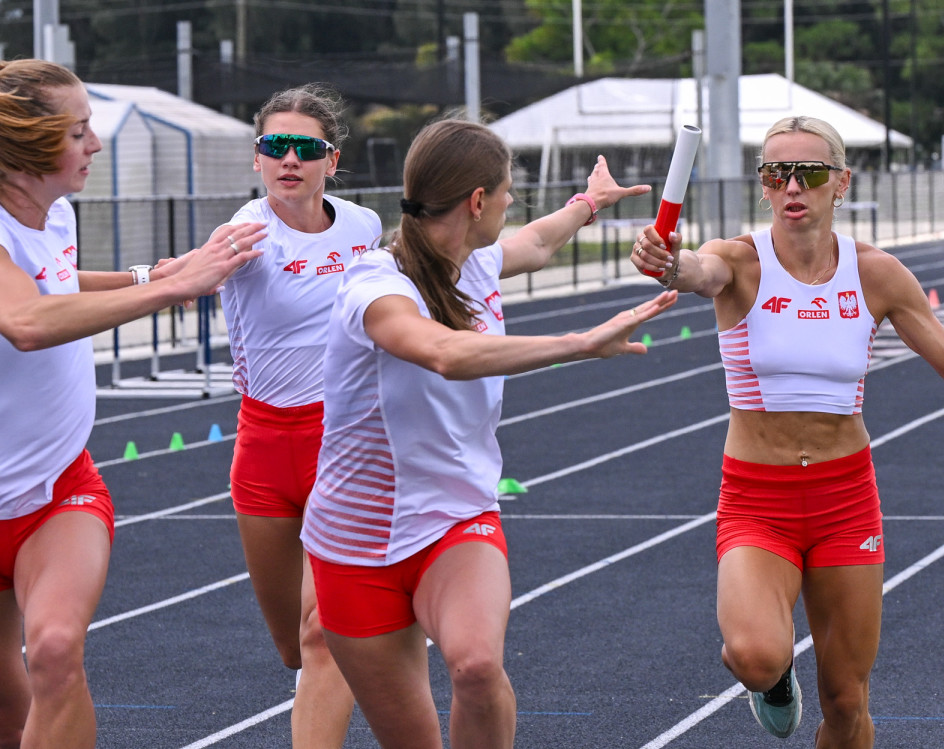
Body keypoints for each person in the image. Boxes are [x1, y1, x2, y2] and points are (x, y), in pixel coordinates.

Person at [300, 117, 677, 749]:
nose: (511, 203)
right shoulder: (374, 283)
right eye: (506, 191)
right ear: (478, 202)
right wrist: (579, 344)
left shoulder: (473, 261)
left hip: (454, 519)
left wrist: (588, 203)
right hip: (355, 543)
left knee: (476, 666)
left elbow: (535, 242)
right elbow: (442, 353)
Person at [0, 53, 265, 749]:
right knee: (1, 721)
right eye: (79, 131)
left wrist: (152, 272)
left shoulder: (54, 215)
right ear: (31, 146)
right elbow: (26, 320)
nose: (95, 144)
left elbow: (58, 282)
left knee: (57, 652)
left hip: (61, 492)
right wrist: (171, 292)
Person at [631, 115, 944, 748]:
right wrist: (667, 262)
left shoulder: (877, 274)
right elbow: (692, 270)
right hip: (757, 499)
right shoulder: (738, 262)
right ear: (765, 187)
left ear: (841, 183)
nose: (792, 186)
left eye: (809, 172)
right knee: (754, 655)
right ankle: (774, 682)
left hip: (846, 500)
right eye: (776, 174)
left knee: (846, 702)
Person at [210, 85, 382, 748]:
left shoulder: (364, 228)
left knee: (322, 634)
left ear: (331, 160)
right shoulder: (243, 231)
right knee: (292, 644)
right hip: (261, 449)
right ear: (257, 160)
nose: (289, 158)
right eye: (274, 146)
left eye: (305, 148)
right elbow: (188, 279)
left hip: (341, 442)